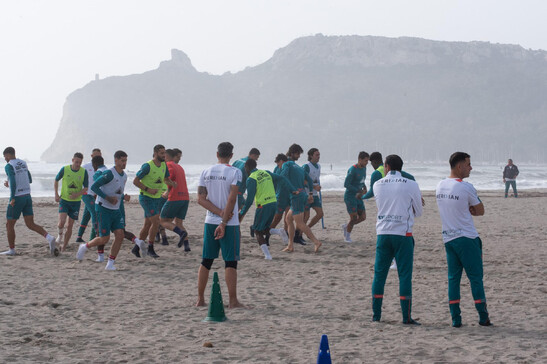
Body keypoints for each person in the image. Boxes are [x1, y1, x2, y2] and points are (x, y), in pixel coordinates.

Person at [436, 152, 492, 327]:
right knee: (475, 278)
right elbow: (480, 210)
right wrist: (471, 208)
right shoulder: (465, 187)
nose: (471, 167)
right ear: (459, 166)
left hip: (449, 237)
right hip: (467, 237)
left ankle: (456, 319)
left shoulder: (440, 185)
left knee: (453, 278)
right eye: (468, 164)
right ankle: (483, 317)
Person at [371, 154, 423, 325]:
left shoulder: (377, 184)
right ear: (401, 167)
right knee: (405, 275)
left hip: (383, 233)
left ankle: (376, 315)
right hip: (403, 233)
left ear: (386, 166)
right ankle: (406, 317)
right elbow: (419, 211)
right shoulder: (411, 184)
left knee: (379, 275)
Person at [196, 142, 243, 308]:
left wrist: (217, 212)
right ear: (231, 155)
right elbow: (232, 198)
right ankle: (232, 301)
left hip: (210, 221)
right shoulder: (235, 172)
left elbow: (201, 198)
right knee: (230, 262)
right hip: (229, 224)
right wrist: (223, 219)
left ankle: (200, 299)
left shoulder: (206, 172)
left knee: (206, 261)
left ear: (217, 154)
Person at [363, 151, 421, 269]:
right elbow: (411, 178)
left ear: (386, 166)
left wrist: (362, 197)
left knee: (380, 273)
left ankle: (395, 261)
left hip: (385, 221)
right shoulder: (403, 175)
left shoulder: (376, 175)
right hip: (401, 217)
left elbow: (371, 193)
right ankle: (396, 261)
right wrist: (414, 195)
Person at [77, 150, 129, 270]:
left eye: (125, 161)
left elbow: (118, 192)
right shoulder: (109, 173)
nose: (124, 163)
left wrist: (124, 197)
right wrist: (107, 198)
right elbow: (94, 187)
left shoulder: (124, 176)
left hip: (115, 210)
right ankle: (85, 246)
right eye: (122, 161)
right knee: (105, 238)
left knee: (120, 235)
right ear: (116, 160)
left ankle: (110, 264)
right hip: (103, 208)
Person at [2, 147, 57, 256]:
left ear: (8, 155)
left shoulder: (9, 166)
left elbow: (12, 180)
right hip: (27, 196)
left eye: (4, 157)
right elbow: (30, 179)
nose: (5, 159)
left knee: (9, 224)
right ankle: (49, 237)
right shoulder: (23, 163)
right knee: (30, 224)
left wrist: (12, 197)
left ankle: (12, 250)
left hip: (17, 198)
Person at [239, 158, 296, 260]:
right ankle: (279, 231)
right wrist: (292, 190)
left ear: (246, 167)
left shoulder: (251, 179)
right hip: (274, 203)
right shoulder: (266, 173)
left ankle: (268, 255)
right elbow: (282, 179)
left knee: (257, 231)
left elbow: (249, 200)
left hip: (263, 206)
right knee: (265, 229)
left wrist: (242, 213)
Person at [132, 144, 175, 258]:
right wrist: (148, 189)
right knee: (156, 221)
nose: (164, 155)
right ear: (155, 153)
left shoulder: (164, 165)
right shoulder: (147, 166)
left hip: (157, 199)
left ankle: (136, 248)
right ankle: (150, 248)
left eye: (164, 153)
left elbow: (165, 179)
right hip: (146, 198)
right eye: (161, 153)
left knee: (147, 225)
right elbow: (135, 181)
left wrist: (172, 183)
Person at [280, 143, 322, 253]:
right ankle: (290, 245)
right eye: (298, 154)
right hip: (302, 195)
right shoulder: (298, 167)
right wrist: (311, 194)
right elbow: (309, 180)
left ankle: (316, 242)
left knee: (299, 223)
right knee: (288, 219)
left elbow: (283, 177)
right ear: (292, 153)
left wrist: (292, 189)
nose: (299, 156)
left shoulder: (287, 165)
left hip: (296, 196)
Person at [54, 152, 89, 251]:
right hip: (64, 200)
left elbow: (86, 187)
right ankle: (59, 235)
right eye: (76, 162)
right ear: (72, 160)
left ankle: (64, 246)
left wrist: (77, 194)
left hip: (76, 202)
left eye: (80, 162)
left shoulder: (83, 172)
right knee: (61, 222)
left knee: (69, 225)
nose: (78, 164)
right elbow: (56, 180)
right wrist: (56, 194)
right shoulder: (65, 169)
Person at [160, 148, 191, 251]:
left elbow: (168, 179)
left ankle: (181, 233)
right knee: (179, 223)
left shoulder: (168, 165)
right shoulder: (180, 167)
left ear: (166, 156)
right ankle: (186, 246)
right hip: (185, 197)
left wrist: (167, 191)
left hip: (175, 197)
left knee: (162, 220)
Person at [76, 148, 102, 243]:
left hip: (95, 195)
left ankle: (79, 237)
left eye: (99, 156)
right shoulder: (86, 167)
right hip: (86, 194)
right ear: (91, 156)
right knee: (95, 213)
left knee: (86, 216)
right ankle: (94, 237)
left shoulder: (101, 168)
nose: (97, 157)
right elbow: (78, 178)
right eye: (95, 156)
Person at [342, 151, 369, 243]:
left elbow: (362, 181)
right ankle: (347, 237)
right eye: (365, 161)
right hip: (350, 197)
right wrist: (358, 190)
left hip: (359, 197)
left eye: (368, 161)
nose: (367, 163)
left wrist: (364, 188)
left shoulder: (364, 168)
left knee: (363, 217)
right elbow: (346, 184)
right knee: (353, 218)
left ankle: (347, 226)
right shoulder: (352, 169)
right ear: (359, 159)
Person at [268, 153, 290, 243]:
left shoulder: (288, 168)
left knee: (288, 218)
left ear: (282, 161)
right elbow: (273, 181)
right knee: (277, 217)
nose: (278, 165)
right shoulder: (277, 168)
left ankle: (286, 235)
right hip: (279, 196)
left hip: (288, 195)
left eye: (278, 163)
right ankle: (268, 233)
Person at [302, 148, 324, 230]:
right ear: (311, 156)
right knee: (306, 216)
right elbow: (303, 181)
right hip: (307, 194)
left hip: (315, 194)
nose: (319, 157)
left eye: (319, 155)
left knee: (320, 214)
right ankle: (299, 234)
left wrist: (318, 186)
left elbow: (316, 179)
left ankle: (307, 229)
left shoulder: (318, 166)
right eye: (317, 155)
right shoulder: (306, 166)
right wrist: (314, 187)